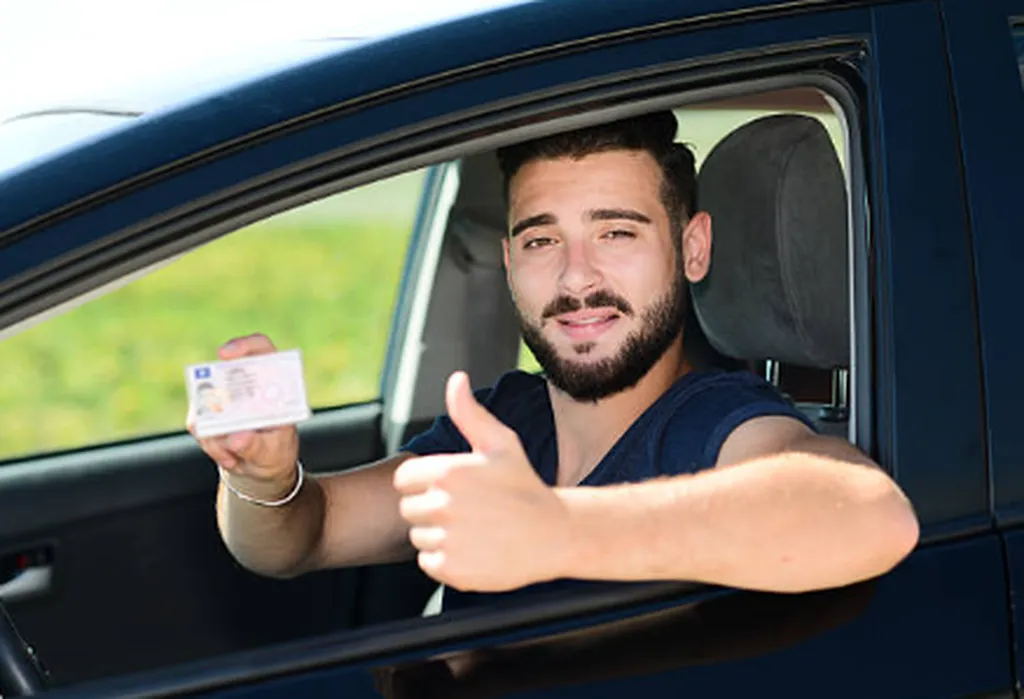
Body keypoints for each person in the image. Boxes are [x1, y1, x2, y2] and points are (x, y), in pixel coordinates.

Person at [188, 111, 919, 613]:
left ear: (693, 248)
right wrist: (262, 477)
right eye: (542, 241)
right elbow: (303, 536)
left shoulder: (715, 423)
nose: (575, 279)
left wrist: (558, 528)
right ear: (509, 262)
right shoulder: (504, 420)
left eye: (617, 233)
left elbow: (871, 515)